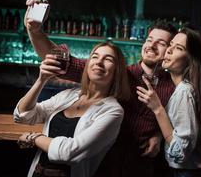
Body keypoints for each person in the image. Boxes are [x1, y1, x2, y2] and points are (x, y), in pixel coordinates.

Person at [24, 0, 177, 177]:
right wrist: (35, 30)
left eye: (161, 43)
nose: (151, 45)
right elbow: (61, 62)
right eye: (149, 39)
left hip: (140, 166)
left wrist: (159, 134)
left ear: (170, 49)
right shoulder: (118, 74)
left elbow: (177, 124)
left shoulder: (174, 88)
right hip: (105, 164)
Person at [14, 42, 130, 177]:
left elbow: (69, 152)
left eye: (108, 59)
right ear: (87, 65)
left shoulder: (113, 110)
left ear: (117, 71)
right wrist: (41, 80)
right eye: (95, 57)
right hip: (37, 172)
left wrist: (33, 137)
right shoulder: (70, 95)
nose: (99, 62)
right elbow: (23, 116)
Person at [136, 27, 201, 177]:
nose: (169, 50)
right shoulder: (190, 89)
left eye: (179, 48)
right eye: (171, 45)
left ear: (191, 60)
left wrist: (158, 109)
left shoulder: (185, 92)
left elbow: (179, 153)